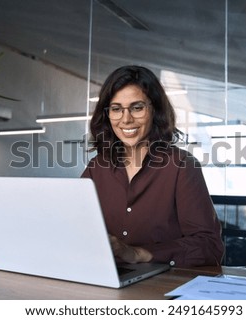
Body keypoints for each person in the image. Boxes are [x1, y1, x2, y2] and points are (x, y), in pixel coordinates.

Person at [81, 65, 224, 267]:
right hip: (106, 280)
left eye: (137, 107)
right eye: (116, 109)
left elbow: (210, 247)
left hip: (159, 287)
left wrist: (139, 253)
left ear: (155, 110)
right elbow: (75, 228)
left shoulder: (181, 166)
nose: (126, 119)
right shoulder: (97, 168)